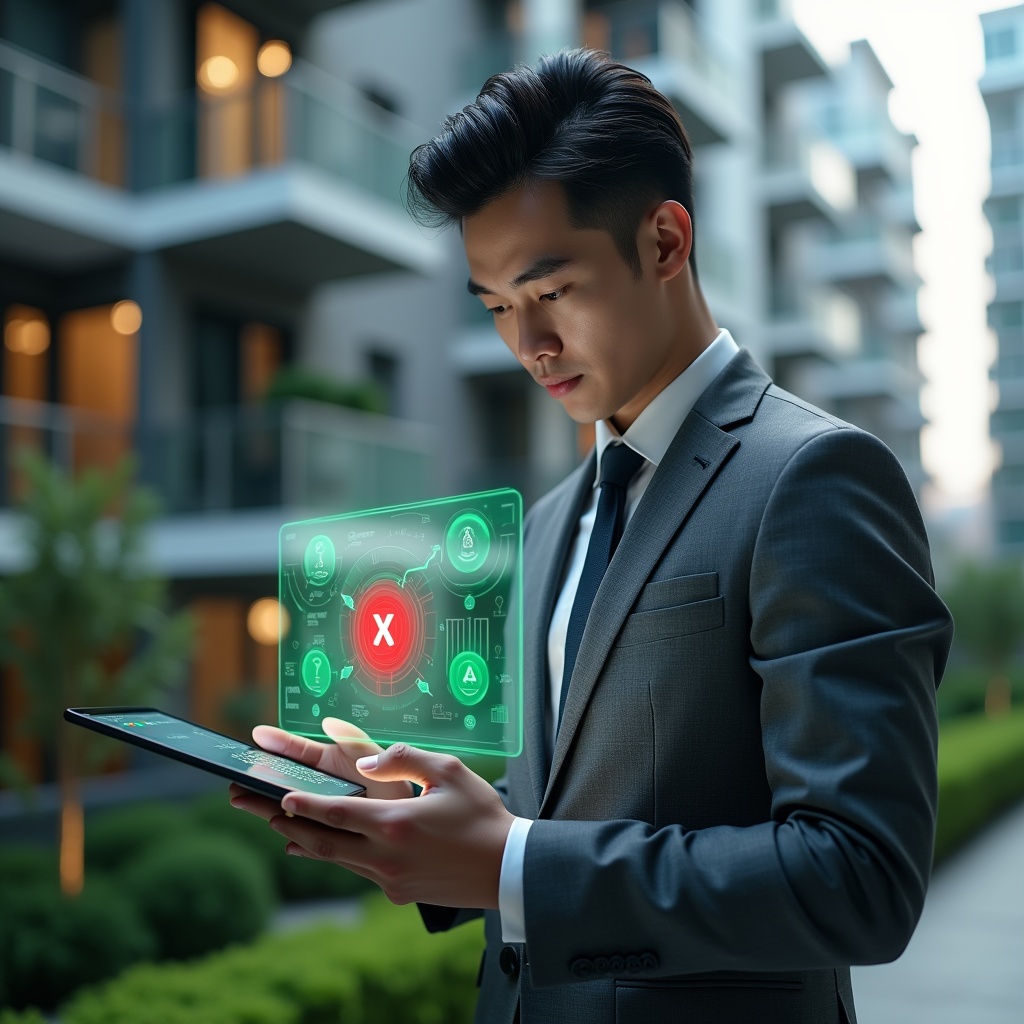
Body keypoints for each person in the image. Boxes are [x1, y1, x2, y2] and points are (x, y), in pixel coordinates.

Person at [230, 48, 953, 1024]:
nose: (526, 345)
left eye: (550, 292)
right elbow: (553, 826)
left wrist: (510, 858)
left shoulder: (814, 477)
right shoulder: (549, 517)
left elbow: (859, 877)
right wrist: (415, 831)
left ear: (664, 241)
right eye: (494, 307)